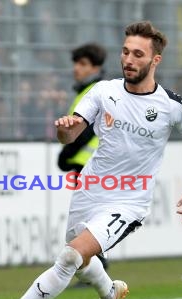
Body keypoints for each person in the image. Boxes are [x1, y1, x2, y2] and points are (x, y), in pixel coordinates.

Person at [0, 20, 182, 299]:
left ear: (155, 60)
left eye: (138, 54)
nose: (129, 59)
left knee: (71, 256)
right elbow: (71, 134)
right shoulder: (103, 91)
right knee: (81, 260)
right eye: (125, 52)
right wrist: (64, 128)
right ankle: (108, 294)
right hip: (90, 190)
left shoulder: (171, 106)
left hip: (129, 201)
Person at [58, 42, 109, 271]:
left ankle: (96, 265)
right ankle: (94, 264)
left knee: (88, 219)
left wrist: (66, 154)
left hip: (90, 164)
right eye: (76, 63)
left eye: (83, 64)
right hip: (87, 164)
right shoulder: (85, 91)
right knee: (89, 218)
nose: (77, 68)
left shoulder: (95, 91)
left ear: (96, 67)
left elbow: (85, 130)